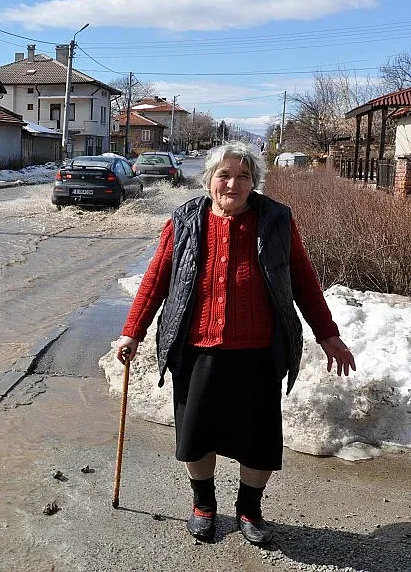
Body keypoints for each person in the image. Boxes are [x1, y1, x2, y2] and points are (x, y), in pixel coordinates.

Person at [115, 141, 355, 545]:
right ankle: (203, 504)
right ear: (209, 179)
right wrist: (132, 332)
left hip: (258, 351)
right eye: (224, 175)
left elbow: (302, 278)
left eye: (243, 176)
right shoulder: (184, 220)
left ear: (254, 183)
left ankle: (250, 508)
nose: (233, 183)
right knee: (196, 436)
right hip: (198, 349)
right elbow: (156, 278)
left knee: (259, 441)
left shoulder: (277, 219)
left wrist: (327, 333)